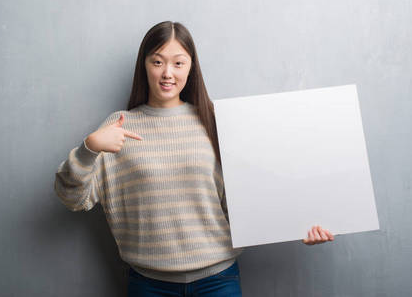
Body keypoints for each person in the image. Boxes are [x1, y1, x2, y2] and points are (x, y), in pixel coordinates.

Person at [54, 20, 334, 297]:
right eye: (157, 62)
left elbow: (253, 194)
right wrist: (88, 148)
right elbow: (73, 198)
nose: (167, 73)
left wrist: (299, 224)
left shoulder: (215, 122)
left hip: (218, 281)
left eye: (178, 63)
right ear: (144, 65)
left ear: (191, 67)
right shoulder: (119, 126)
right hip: (149, 285)